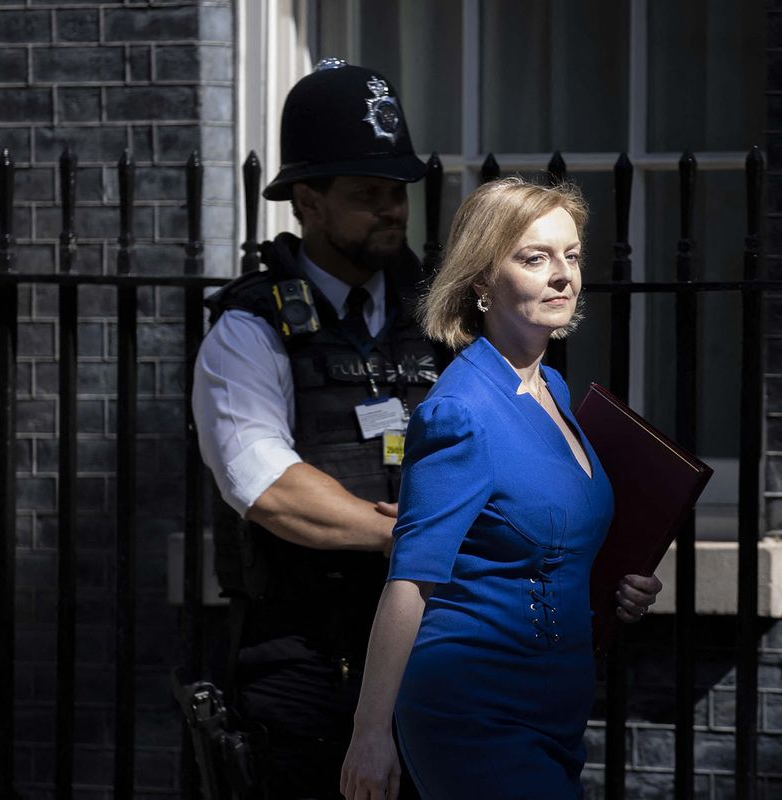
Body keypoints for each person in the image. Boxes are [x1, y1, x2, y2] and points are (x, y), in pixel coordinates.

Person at [338, 177, 664, 800]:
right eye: (535, 258)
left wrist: (614, 585)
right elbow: (412, 578)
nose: (562, 274)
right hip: (473, 712)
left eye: (571, 255)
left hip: (554, 713)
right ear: (483, 282)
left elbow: (539, 540)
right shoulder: (459, 411)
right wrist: (370, 732)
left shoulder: (554, 391)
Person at [192, 60, 437, 799]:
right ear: (309, 200)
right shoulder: (248, 328)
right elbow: (265, 485)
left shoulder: (445, 315)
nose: (393, 210)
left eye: (398, 192)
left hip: (438, 656)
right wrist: (408, 534)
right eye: (368, 195)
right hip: (306, 662)